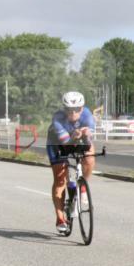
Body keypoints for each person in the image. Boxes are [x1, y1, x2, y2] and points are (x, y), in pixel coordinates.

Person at [47, 91, 95, 233]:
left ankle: (83, 186)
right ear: (64, 109)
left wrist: (86, 136)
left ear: (82, 108)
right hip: (56, 144)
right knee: (60, 181)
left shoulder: (87, 115)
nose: (73, 113)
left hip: (75, 139)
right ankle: (60, 217)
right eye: (69, 110)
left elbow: (88, 142)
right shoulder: (58, 119)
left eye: (77, 109)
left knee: (90, 155)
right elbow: (66, 146)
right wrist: (73, 137)